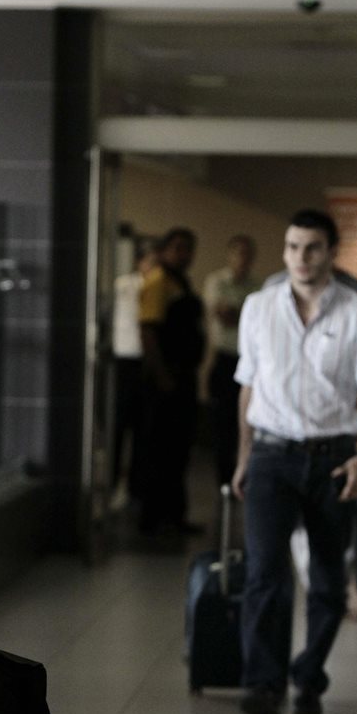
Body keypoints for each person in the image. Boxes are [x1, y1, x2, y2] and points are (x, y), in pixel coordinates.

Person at [232, 209, 357, 714]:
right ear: (284, 251)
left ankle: (308, 674)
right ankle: (263, 682)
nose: (301, 258)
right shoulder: (257, 309)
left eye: (313, 248)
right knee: (264, 574)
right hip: (272, 455)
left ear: (331, 252)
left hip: (334, 458)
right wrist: (243, 456)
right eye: (293, 247)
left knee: (326, 581)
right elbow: (248, 387)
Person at [136, 227, 206, 535]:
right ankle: (152, 518)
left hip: (184, 377)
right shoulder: (157, 282)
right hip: (165, 378)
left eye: (188, 249)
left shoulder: (182, 283)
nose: (183, 255)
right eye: (177, 248)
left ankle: (174, 515)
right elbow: (148, 331)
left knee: (178, 449)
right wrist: (162, 376)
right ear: (164, 250)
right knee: (158, 449)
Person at [203, 235, 258, 488]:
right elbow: (223, 314)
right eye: (238, 253)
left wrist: (237, 314)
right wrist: (241, 314)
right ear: (230, 255)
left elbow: (253, 322)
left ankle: (245, 470)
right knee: (222, 423)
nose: (242, 259)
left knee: (248, 419)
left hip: (249, 360)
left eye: (247, 254)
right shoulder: (216, 281)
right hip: (224, 359)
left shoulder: (257, 287)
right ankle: (224, 477)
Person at [110, 237, 156, 504]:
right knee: (119, 425)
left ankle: (137, 487)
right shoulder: (124, 285)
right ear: (140, 262)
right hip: (124, 361)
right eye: (149, 261)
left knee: (144, 429)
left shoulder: (160, 288)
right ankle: (114, 483)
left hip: (146, 362)